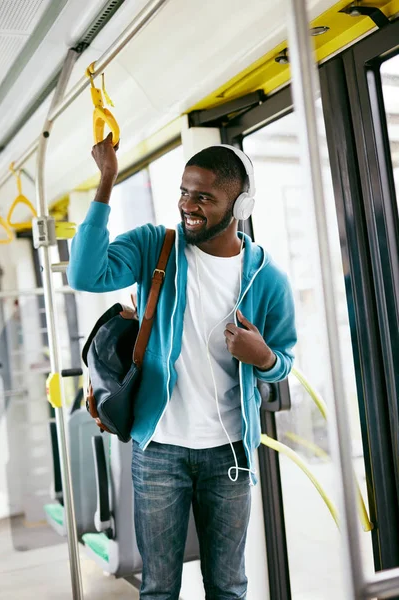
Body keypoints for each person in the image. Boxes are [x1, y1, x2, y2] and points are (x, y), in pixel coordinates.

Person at [68, 133, 297, 600]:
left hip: (229, 455)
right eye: (184, 192)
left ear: (240, 206)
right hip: (159, 452)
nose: (187, 205)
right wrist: (107, 180)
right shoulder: (156, 246)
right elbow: (84, 274)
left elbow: (284, 362)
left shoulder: (267, 278)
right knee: (158, 588)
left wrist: (265, 357)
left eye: (204, 197)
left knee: (228, 587)